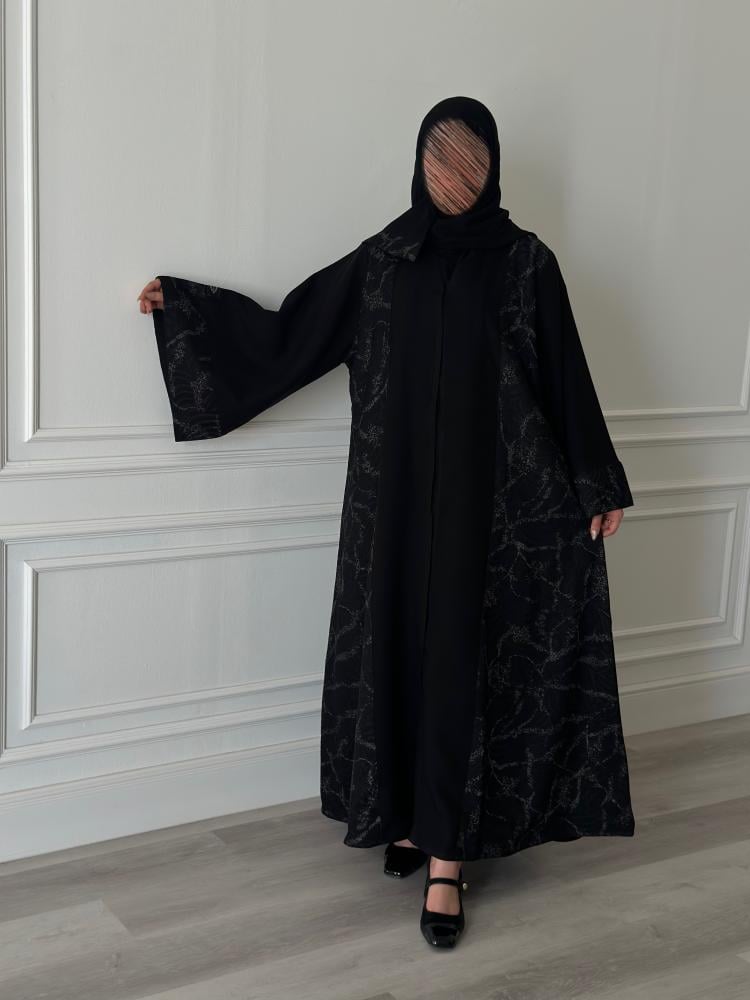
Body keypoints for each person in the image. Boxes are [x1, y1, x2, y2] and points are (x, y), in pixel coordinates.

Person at [138, 95, 636, 950]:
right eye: (441, 159)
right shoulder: (385, 260)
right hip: (394, 508)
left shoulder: (525, 264)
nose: (453, 176)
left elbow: (564, 376)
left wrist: (596, 483)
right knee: (397, 658)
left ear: (492, 170)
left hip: (495, 513)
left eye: (469, 161)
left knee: (460, 669)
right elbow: (292, 333)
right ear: (418, 165)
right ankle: (405, 818)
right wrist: (186, 310)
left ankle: (447, 859)